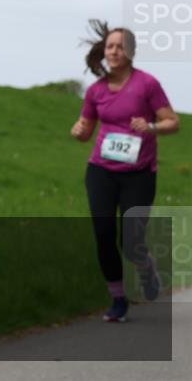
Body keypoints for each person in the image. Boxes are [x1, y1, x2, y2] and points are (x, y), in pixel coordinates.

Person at [70, 20, 180, 323]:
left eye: (120, 46)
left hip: (140, 173)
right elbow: (86, 130)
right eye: (110, 47)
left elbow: (173, 121)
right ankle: (118, 298)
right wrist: (78, 131)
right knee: (103, 234)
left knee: (131, 241)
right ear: (104, 52)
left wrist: (152, 126)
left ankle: (146, 269)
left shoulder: (147, 84)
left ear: (131, 52)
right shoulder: (96, 91)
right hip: (101, 170)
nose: (115, 51)